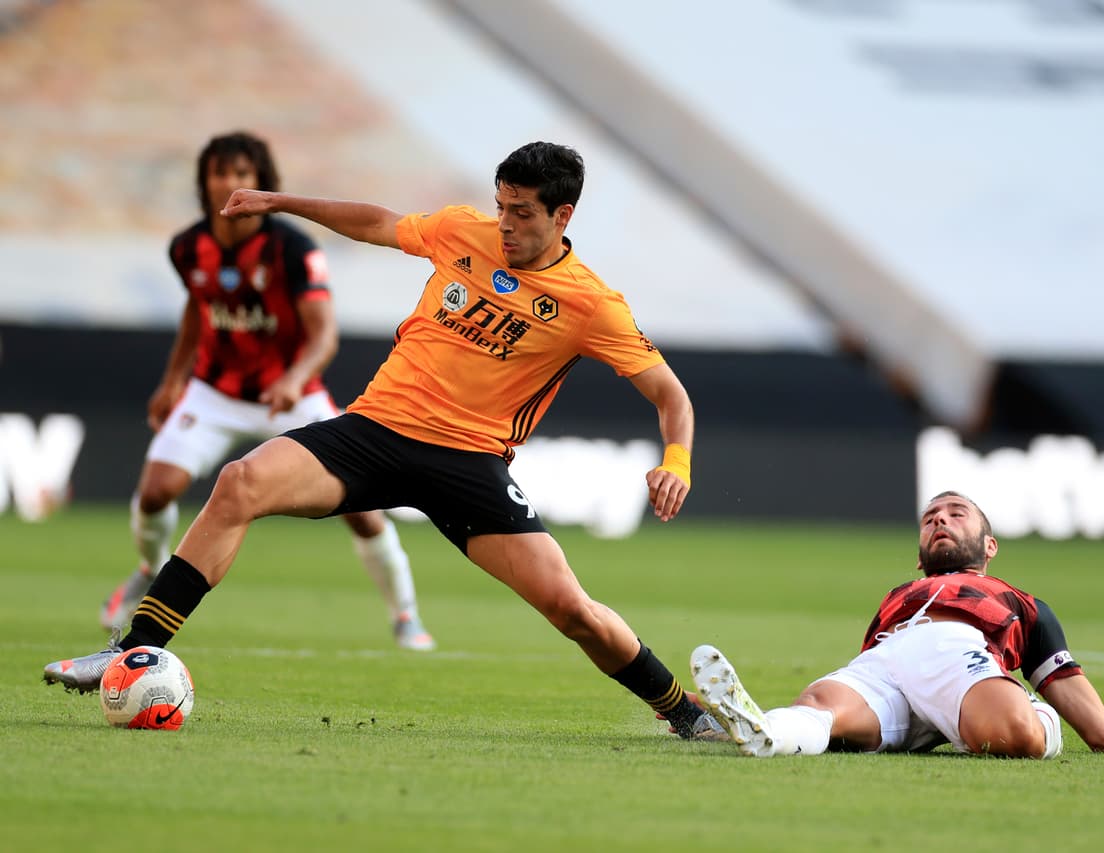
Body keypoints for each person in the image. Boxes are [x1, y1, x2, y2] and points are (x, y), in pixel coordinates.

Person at [44, 141, 713, 738]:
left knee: (572, 611)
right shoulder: (462, 230)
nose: (505, 224)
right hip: (374, 432)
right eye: (501, 206)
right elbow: (374, 222)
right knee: (239, 482)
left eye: (523, 213)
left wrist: (676, 463)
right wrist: (281, 202)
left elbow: (671, 396)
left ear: (562, 216)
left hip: (468, 464)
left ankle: (686, 712)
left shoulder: (592, 304)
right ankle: (131, 649)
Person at [95, 131, 434, 651]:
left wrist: (295, 378)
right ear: (205, 181)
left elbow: (323, 334)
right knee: (156, 490)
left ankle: (405, 613)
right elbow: (197, 310)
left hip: (291, 395)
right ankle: (149, 569)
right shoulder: (187, 247)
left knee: (363, 511)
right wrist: (173, 380)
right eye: (220, 173)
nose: (229, 183)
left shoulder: (293, 249)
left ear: (260, 182)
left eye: (241, 174)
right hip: (215, 393)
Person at [690, 491, 1104, 759]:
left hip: (961, 653)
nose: (939, 520)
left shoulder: (1023, 605)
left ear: (989, 545)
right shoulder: (898, 598)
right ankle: (765, 731)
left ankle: (1036, 718)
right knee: (822, 705)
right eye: (929, 518)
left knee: (1015, 738)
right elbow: (879, 663)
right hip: (888, 658)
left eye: (955, 513)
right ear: (920, 554)